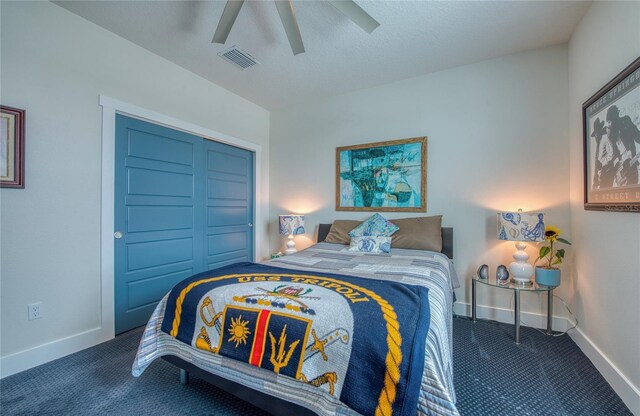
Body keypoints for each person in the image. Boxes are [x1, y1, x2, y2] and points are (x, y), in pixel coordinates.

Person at [607, 105, 640, 186]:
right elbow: (612, 154)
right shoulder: (611, 134)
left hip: (632, 164)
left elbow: (637, 136)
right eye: (608, 122)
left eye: (610, 121)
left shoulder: (626, 121)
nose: (609, 124)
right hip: (620, 170)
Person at [592, 117, 615, 189]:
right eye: (595, 134)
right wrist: (595, 179)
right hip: (601, 174)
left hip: (608, 171)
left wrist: (603, 164)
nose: (595, 136)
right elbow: (596, 162)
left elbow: (611, 153)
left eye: (597, 133)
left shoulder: (605, 138)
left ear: (600, 131)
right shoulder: (598, 143)